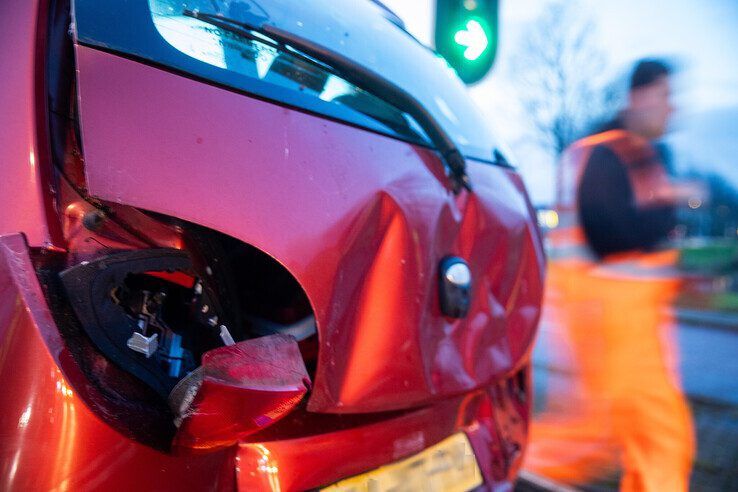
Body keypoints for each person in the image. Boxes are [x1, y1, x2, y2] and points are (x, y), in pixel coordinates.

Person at [526, 59, 696, 491]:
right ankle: (505, 469)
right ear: (639, 96)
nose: (671, 108)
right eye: (665, 96)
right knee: (655, 436)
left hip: (616, 320)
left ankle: (506, 469)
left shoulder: (624, 152)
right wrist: (669, 204)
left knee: (592, 437)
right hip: (614, 320)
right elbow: (609, 233)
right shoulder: (613, 152)